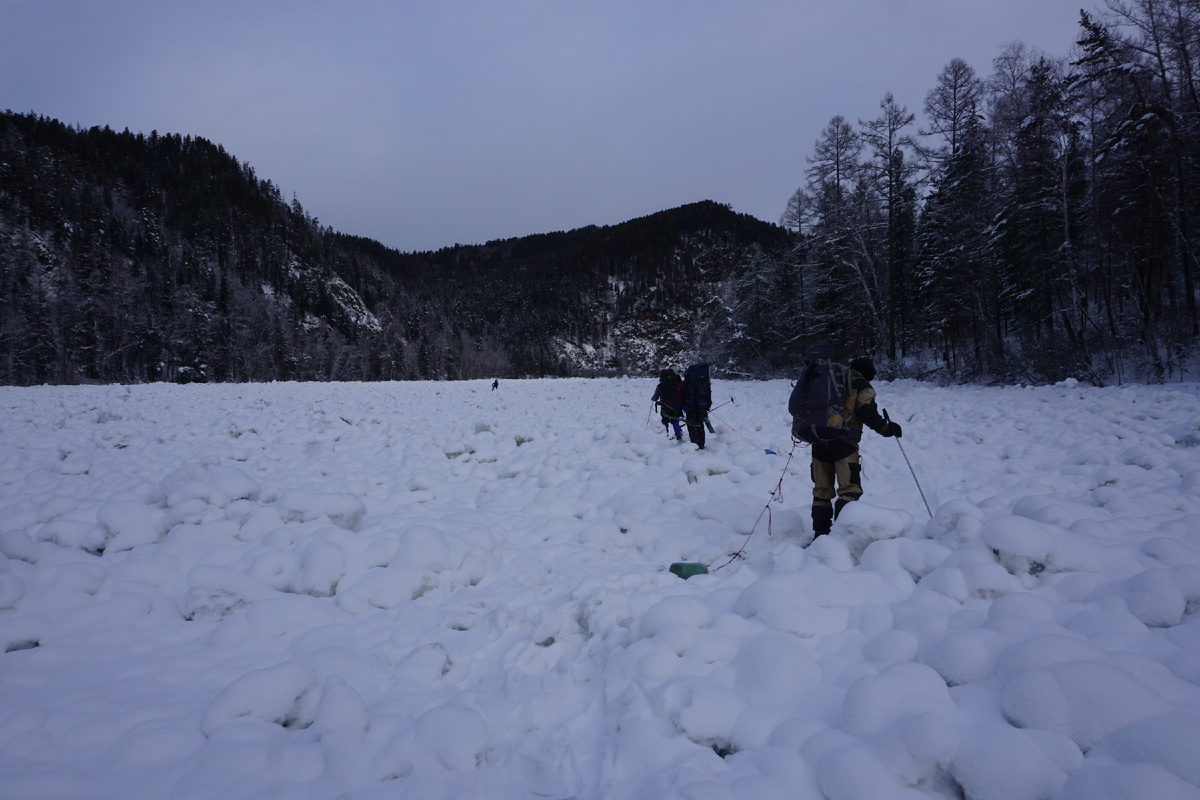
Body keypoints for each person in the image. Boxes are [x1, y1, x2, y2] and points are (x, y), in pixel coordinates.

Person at [804, 355, 901, 538]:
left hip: (818, 441)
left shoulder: (828, 381)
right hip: (844, 444)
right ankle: (842, 538)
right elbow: (868, 414)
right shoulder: (860, 384)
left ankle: (820, 536)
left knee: (822, 492)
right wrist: (888, 429)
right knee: (849, 490)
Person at [651, 369, 683, 440]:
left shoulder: (660, 386)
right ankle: (678, 435)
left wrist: (653, 399)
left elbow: (655, 397)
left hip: (665, 406)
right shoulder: (677, 384)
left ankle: (665, 435)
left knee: (665, 420)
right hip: (676, 405)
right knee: (675, 419)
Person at [677, 375, 708, 449]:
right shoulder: (702, 381)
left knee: (692, 425)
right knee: (700, 425)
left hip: (690, 408)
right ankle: (701, 444)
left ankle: (694, 444)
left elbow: (680, 396)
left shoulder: (685, 383)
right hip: (701, 407)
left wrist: (679, 410)